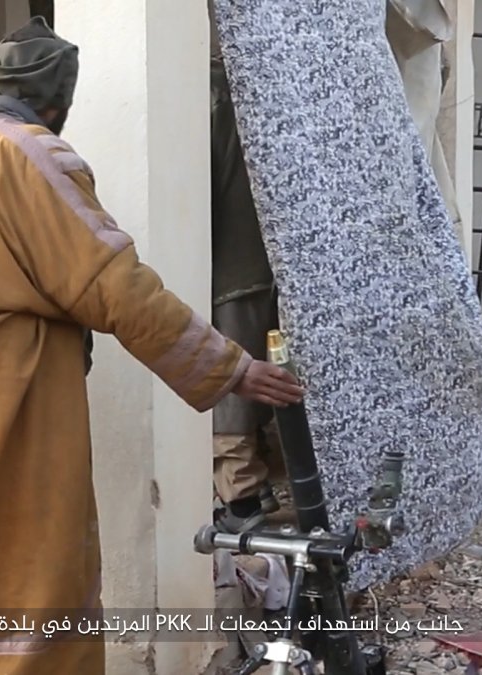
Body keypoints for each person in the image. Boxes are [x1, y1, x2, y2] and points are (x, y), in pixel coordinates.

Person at [0, 16, 303, 675]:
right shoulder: (31, 155)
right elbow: (115, 283)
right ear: (59, 101)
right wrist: (231, 367)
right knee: (16, 580)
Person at [209, 48, 288, 534]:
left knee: (232, 382)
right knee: (263, 372)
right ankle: (255, 487)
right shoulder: (268, 82)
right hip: (270, 262)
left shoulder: (213, 91)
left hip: (229, 266)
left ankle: (240, 498)